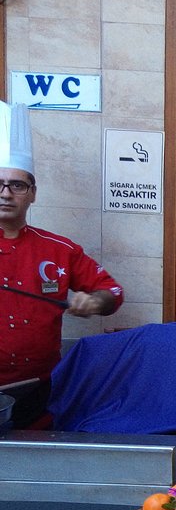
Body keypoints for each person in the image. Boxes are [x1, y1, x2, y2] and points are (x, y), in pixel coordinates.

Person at [0, 102, 124, 428]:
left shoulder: (59, 249)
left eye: (17, 185)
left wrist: (95, 301)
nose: (6, 193)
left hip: (37, 390)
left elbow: (112, 292)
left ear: (32, 194)